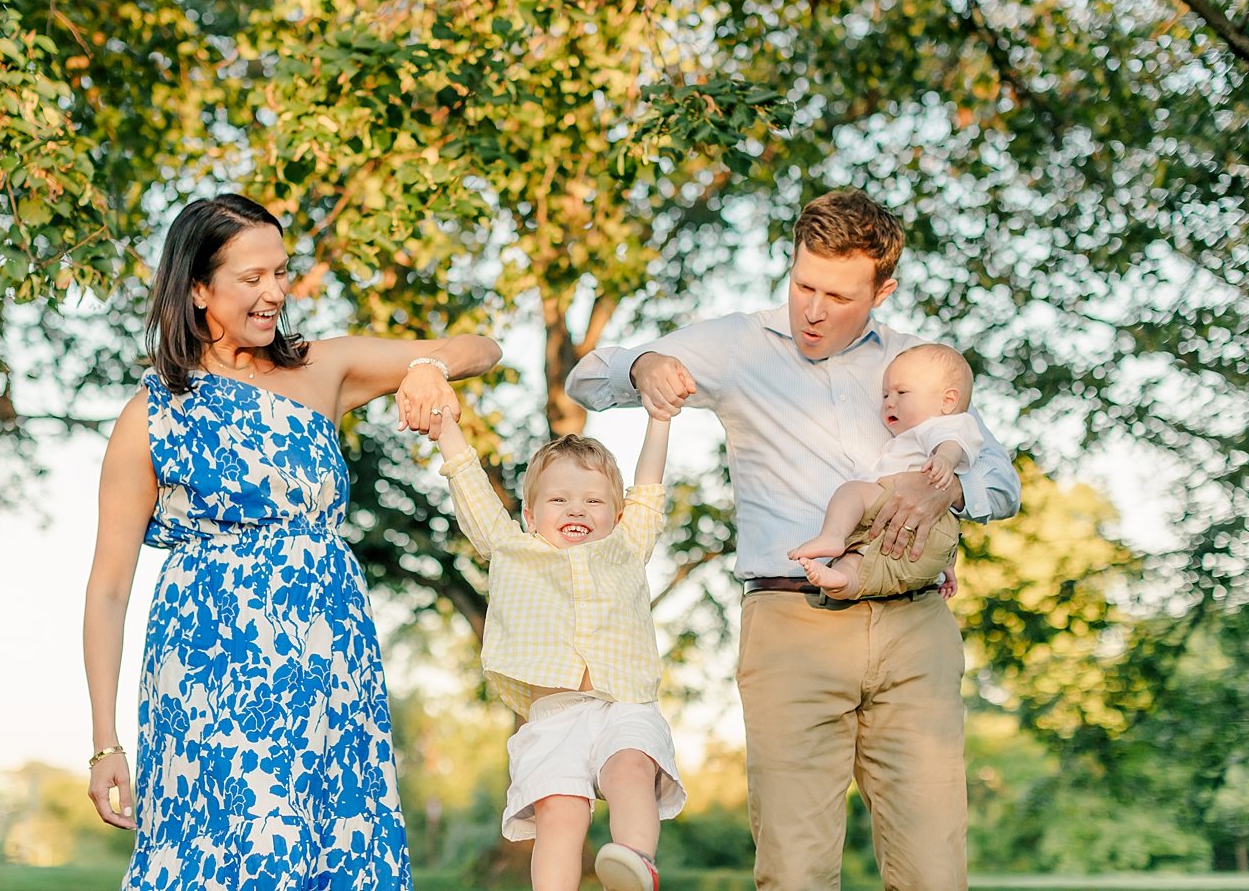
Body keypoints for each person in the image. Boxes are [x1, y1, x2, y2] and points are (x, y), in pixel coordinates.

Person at [565, 189, 1020, 891]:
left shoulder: (920, 365)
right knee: (795, 871)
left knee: (935, 869)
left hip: (916, 626)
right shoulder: (735, 343)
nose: (812, 309)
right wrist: (643, 367)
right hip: (791, 624)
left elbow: (1001, 481)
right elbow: (587, 377)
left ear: (882, 289)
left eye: (837, 295)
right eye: (802, 284)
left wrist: (948, 489)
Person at [82, 193, 501, 890]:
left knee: (333, 849)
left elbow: (480, 348)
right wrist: (104, 743)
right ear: (196, 289)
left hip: (328, 660)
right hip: (208, 676)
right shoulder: (149, 416)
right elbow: (107, 588)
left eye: (282, 271)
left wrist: (430, 366)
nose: (276, 291)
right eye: (252, 278)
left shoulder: (320, 368)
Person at [423, 406, 685, 891]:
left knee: (630, 767)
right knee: (558, 814)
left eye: (593, 501)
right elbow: (472, 488)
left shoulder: (626, 547)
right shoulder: (511, 549)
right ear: (530, 515)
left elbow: (649, 488)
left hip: (622, 704)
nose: (576, 509)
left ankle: (634, 865)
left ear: (618, 515)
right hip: (553, 717)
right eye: (559, 499)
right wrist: (446, 429)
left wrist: (660, 418)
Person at [788, 342, 984, 603]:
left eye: (901, 392)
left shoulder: (941, 425)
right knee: (854, 562)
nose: (890, 402)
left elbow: (951, 443)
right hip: (922, 544)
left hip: (904, 505)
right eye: (885, 396)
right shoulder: (915, 435)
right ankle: (841, 581)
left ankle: (832, 535)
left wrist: (945, 461)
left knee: (852, 491)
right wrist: (946, 564)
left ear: (947, 400)